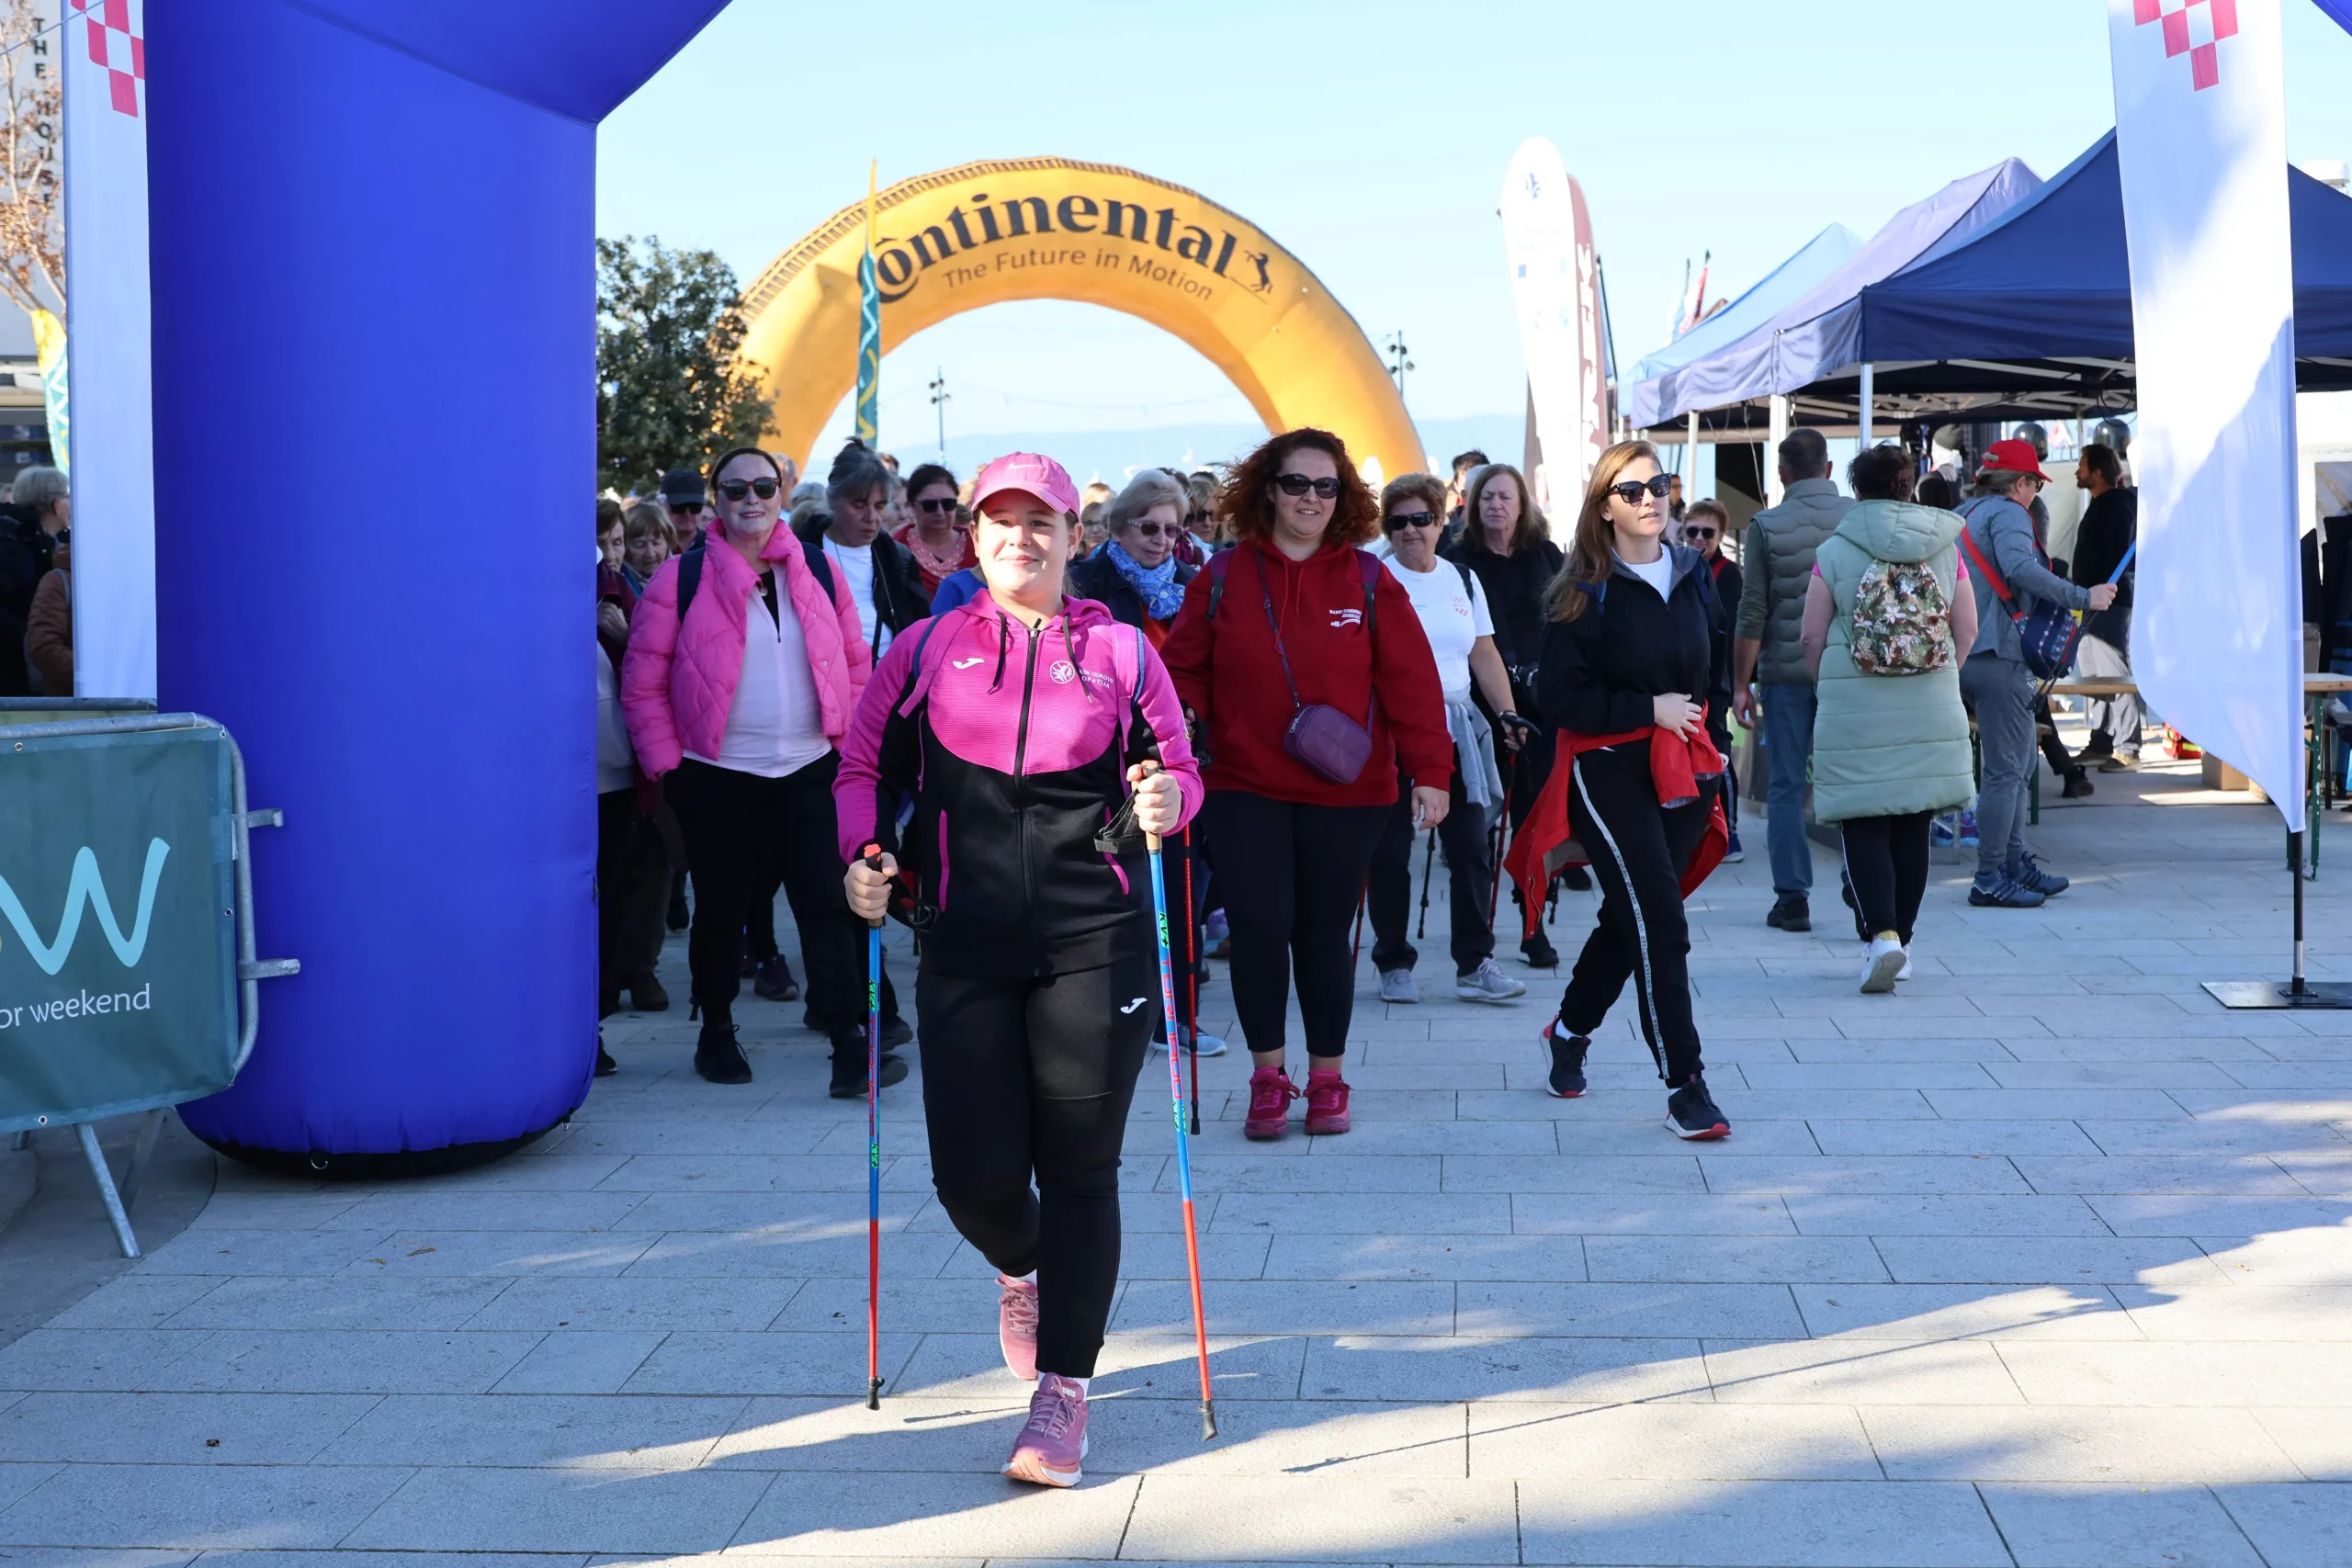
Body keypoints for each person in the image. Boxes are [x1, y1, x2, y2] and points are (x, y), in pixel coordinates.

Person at [839, 450, 1202, 1489]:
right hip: (962, 937)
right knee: (973, 1179)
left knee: (1082, 1167)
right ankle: (1020, 1266)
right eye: (999, 520)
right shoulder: (924, 648)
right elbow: (865, 770)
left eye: (1040, 521)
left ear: (1071, 536)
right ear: (970, 536)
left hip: (1098, 939)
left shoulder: (1124, 653)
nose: (1019, 537)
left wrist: (1173, 800)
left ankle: (1064, 1390)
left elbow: (1179, 766)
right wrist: (864, 860)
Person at [1161, 428, 1452, 1140]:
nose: (1311, 498)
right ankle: (1268, 1076)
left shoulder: (1369, 579)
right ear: (1269, 489)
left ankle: (1326, 1077)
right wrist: (1182, 734)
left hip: (1348, 792)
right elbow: (1179, 670)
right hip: (1243, 785)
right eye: (1297, 483)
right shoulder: (1222, 575)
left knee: (1324, 935)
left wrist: (1433, 773)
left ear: (1343, 496)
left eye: (1326, 486)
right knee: (1260, 929)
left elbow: (1411, 684)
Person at [620, 446, 908, 1093]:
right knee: (722, 911)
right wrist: (671, 772)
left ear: (782, 493)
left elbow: (855, 667)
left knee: (827, 905)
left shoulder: (819, 571)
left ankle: (848, 1040)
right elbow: (642, 687)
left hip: (811, 769)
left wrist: (853, 755)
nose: (750, 498)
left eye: (763, 486)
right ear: (716, 501)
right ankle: (716, 1031)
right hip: (717, 775)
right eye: (734, 488)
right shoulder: (679, 579)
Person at [1529, 440, 1733, 1140]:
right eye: (1631, 490)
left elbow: (1715, 665)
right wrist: (1649, 711)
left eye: (1659, 485)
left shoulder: (1693, 572)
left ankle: (1571, 1029)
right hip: (1609, 767)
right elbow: (1559, 696)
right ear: (1604, 507)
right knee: (1661, 921)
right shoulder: (1584, 587)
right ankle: (1686, 1083)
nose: (1650, 499)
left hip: (1687, 767)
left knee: (1634, 916)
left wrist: (1717, 741)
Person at [1799, 446, 1979, 992]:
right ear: (1908, 486)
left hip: (1857, 708)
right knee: (1914, 822)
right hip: (1930, 703)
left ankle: (1881, 937)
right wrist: (1939, 675)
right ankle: (1904, 938)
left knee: (1864, 820)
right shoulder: (1947, 547)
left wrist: (1826, 682)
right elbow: (1966, 628)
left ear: (1857, 489)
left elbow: (1810, 633)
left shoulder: (1834, 550)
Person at [1365, 474, 1528, 1006]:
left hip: (1457, 725)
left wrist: (1507, 712)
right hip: (1391, 730)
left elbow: (1483, 652)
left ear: (1441, 521)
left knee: (1470, 846)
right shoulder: (1373, 578)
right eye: (1398, 521)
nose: (1409, 531)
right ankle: (1393, 960)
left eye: (1420, 519)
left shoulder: (1462, 578)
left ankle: (1475, 962)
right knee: (1389, 851)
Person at [1956, 438, 2116, 908]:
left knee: (2022, 764)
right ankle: (1990, 874)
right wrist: (2084, 596)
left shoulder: (1965, 514)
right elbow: (2020, 570)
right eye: (2033, 486)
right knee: (2007, 771)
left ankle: (2010, 864)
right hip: (1999, 655)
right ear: (2020, 483)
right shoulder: (2007, 514)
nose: (2034, 496)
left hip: (1973, 653)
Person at [1442, 459, 1580, 964]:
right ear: (1473, 508)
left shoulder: (1547, 556)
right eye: (1486, 498)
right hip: (1479, 711)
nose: (1495, 505)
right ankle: (1476, 936)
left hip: (1541, 710)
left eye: (1505, 497)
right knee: (1475, 829)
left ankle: (1531, 924)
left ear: (1523, 506)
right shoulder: (1457, 561)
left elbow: (1569, 622)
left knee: (1534, 824)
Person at [1731, 428, 1853, 933]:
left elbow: (1753, 609)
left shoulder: (1766, 524)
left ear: (1781, 474)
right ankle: (1858, 876)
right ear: (1828, 468)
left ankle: (1792, 899)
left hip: (1784, 674)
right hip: (1846, 674)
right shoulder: (1855, 517)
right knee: (1851, 781)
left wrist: (1741, 683)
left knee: (1784, 786)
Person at [807, 440, 928, 658]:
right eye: (859, 505)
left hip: (890, 685)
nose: (872, 518)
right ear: (833, 500)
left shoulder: (898, 559)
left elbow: (921, 632)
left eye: (880, 506)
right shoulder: (802, 555)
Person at [1680, 499, 1744, 862]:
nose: (1700, 539)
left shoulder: (1727, 574)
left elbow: (1730, 629)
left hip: (1714, 680)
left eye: (1708, 532)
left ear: (1720, 536)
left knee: (1719, 751)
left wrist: (1735, 685)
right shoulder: (1675, 567)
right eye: (1693, 531)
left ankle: (1729, 831)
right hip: (1682, 678)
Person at [1067, 469, 1198, 645]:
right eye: (1149, 528)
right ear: (1117, 530)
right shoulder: (1082, 581)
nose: (1161, 540)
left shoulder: (1192, 583)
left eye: (1171, 530)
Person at [2070, 443, 2140, 772]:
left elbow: (2117, 551)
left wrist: (2098, 587)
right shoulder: (2102, 503)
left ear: (2098, 473)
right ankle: (2101, 740)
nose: (2077, 472)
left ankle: (2128, 747)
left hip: (2109, 602)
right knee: (2095, 676)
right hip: (2090, 602)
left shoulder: (2115, 504)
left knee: (2114, 672)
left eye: (2082, 466)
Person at [0, 466, 64, 696]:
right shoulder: (14, 545)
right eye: (67, 496)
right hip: (14, 669)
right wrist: (27, 635)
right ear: (56, 504)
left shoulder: (45, 542)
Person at [893, 461, 976, 597]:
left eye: (948, 504)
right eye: (930, 505)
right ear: (912, 506)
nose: (940, 512)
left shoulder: (977, 546)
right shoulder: (896, 549)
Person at [622, 503, 676, 594]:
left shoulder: (685, 575)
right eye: (639, 545)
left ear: (668, 542)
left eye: (656, 543)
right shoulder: (619, 586)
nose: (650, 553)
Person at [1442, 448, 1489, 545]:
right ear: (1456, 485)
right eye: (1467, 484)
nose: (1475, 492)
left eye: (1479, 483)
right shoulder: (1444, 525)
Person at [660, 467, 709, 552]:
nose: (687, 513)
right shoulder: (652, 550)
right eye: (679, 507)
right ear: (664, 505)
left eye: (695, 507)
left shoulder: (715, 547)